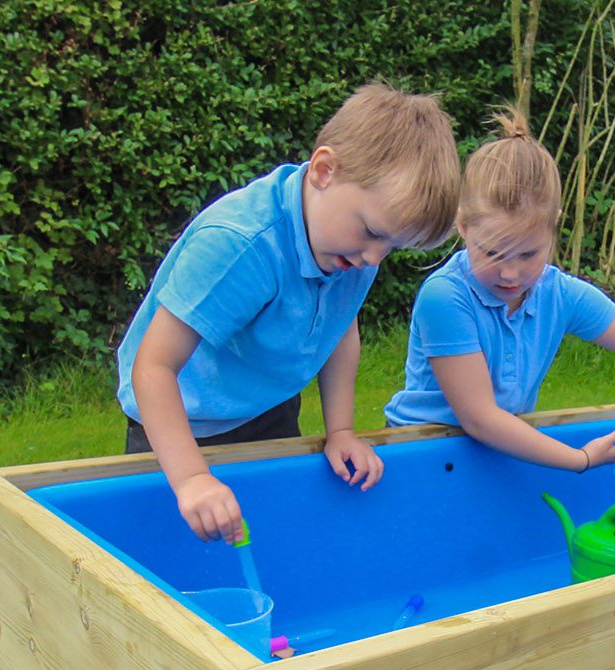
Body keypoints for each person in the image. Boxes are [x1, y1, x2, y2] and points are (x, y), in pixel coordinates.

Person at [117, 84, 460, 543]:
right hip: (181, 417)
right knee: (179, 551)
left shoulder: (349, 248)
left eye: (392, 246)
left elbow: (341, 328)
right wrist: (191, 479)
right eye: (373, 232)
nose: (375, 259)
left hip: (267, 403)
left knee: (270, 536)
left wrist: (340, 430)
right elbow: (154, 367)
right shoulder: (240, 246)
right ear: (323, 170)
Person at [383, 111, 615, 486]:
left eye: (529, 254)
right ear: (463, 225)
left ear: (554, 230)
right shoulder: (446, 297)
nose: (511, 273)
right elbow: (480, 418)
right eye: (493, 253)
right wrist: (580, 459)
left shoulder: (558, 293)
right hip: (420, 456)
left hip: (499, 450)